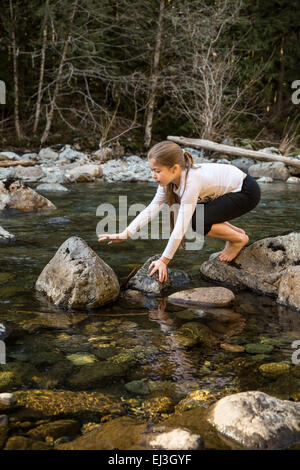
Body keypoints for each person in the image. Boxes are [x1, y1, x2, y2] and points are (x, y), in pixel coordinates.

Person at [98, 140, 261, 283]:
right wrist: (125, 234)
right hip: (230, 192)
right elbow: (152, 208)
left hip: (246, 192)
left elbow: (181, 227)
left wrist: (164, 260)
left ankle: (238, 239)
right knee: (198, 216)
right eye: (152, 170)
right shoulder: (169, 182)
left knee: (197, 221)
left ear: (174, 169)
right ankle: (234, 235)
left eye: (157, 171)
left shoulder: (191, 182)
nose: (153, 175)